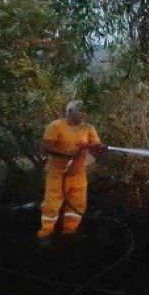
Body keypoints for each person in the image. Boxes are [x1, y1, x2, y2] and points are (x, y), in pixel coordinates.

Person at [37, 100, 105, 244]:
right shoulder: (55, 126)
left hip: (78, 174)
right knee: (51, 204)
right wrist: (68, 154)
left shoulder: (88, 128)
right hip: (57, 173)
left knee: (77, 203)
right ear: (69, 111)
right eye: (80, 111)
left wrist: (99, 148)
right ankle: (45, 234)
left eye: (85, 112)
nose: (83, 115)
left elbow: (95, 146)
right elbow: (47, 147)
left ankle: (70, 232)